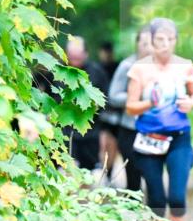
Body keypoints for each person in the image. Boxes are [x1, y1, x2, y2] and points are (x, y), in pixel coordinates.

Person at [126, 18, 193, 221]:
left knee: (177, 198)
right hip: (149, 138)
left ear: (176, 40)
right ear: (151, 41)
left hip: (179, 137)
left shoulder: (185, 65)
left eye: (170, 39)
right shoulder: (139, 68)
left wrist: (191, 102)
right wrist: (150, 102)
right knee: (157, 199)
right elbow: (130, 106)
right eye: (160, 39)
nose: (165, 44)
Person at [108, 26, 153, 193]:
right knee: (133, 176)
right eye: (144, 43)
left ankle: (154, 215)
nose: (148, 47)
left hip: (154, 128)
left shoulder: (162, 67)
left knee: (152, 176)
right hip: (130, 129)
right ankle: (133, 215)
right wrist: (135, 98)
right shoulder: (127, 65)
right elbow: (113, 95)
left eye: (152, 43)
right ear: (137, 44)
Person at [64, 36, 110, 171]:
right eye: (72, 57)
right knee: (66, 170)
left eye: (78, 58)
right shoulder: (56, 71)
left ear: (86, 54)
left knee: (87, 171)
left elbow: (106, 99)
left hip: (89, 131)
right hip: (63, 130)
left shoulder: (97, 72)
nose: (75, 62)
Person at [97, 40, 122, 184]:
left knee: (112, 145)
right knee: (103, 143)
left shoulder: (117, 67)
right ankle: (106, 172)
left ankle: (109, 172)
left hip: (115, 111)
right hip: (102, 110)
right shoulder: (98, 68)